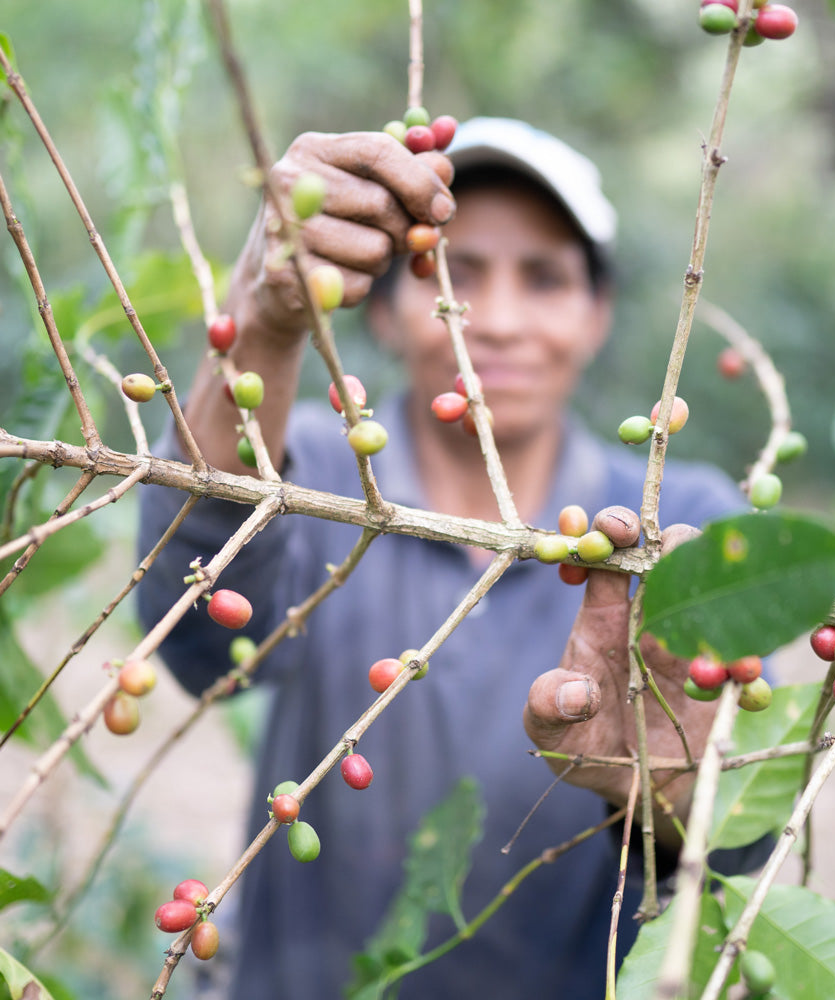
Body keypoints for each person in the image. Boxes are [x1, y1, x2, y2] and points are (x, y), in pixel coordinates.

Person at [137, 117, 755, 999]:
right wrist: (267, 325)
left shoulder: (682, 525)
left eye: (543, 278)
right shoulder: (307, 475)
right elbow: (196, 634)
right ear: (381, 312)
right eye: (451, 275)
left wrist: (669, 794)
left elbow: (746, 841)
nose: (495, 322)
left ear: (597, 315)